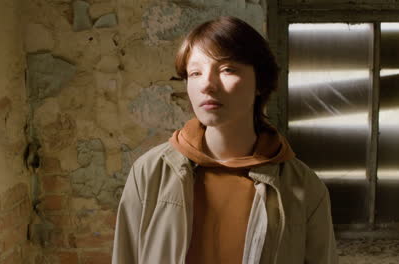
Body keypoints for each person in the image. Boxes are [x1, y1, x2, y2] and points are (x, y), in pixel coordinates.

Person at [112, 16, 338, 264]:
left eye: (227, 69)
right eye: (195, 72)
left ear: (260, 82)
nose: (207, 84)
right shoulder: (150, 172)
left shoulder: (303, 188)